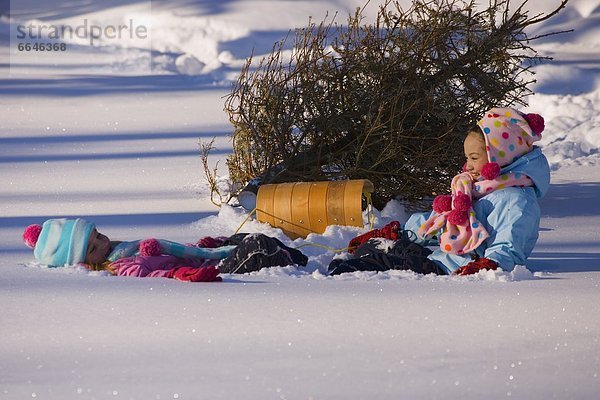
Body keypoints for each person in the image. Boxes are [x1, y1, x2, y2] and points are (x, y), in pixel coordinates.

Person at [329, 107, 550, 276]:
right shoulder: (476, 189)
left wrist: (487, 265)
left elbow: (509, 247)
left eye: (475, 158)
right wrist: (400, 233)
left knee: (377, 264)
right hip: (439, 254)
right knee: (376, 248)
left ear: (499, 157)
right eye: (467, 158)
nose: (468, 166)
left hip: (451, 267)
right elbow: (440, 222)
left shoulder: (517, 202)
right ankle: (356, 264)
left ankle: (343, 282)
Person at [23, 219, 307, 282]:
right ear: (82, 261)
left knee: (241, 237)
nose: (103, 243)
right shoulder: (120, 267)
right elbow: (158, 274)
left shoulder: (120, 249)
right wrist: (187, 272)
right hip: (207, 271)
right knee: (257, 245)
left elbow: (169, 252)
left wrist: (200, 247)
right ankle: (301, 264)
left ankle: (300, 259)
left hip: (199, 258)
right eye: (93, 248)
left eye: (98, 235)